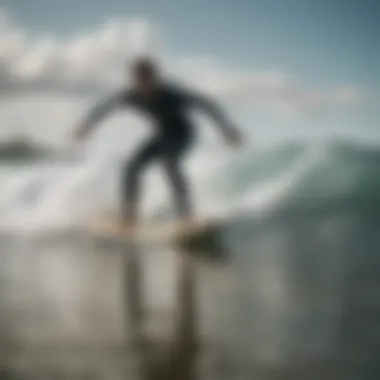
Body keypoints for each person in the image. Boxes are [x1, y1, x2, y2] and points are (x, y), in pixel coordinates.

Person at [72, 57, 244, 233]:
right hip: (162, 135)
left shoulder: (172, 94)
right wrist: (87, 125)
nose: (145, 84)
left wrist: (227, 129)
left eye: (148, 78)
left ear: (154, 78)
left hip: (183, 134)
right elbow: (106, 106)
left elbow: (205, 104)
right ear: (135, 80)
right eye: (140, 79)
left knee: (169, 162)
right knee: (131, 166)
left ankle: (186, 217)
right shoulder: (131, 96)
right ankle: (129, 219)